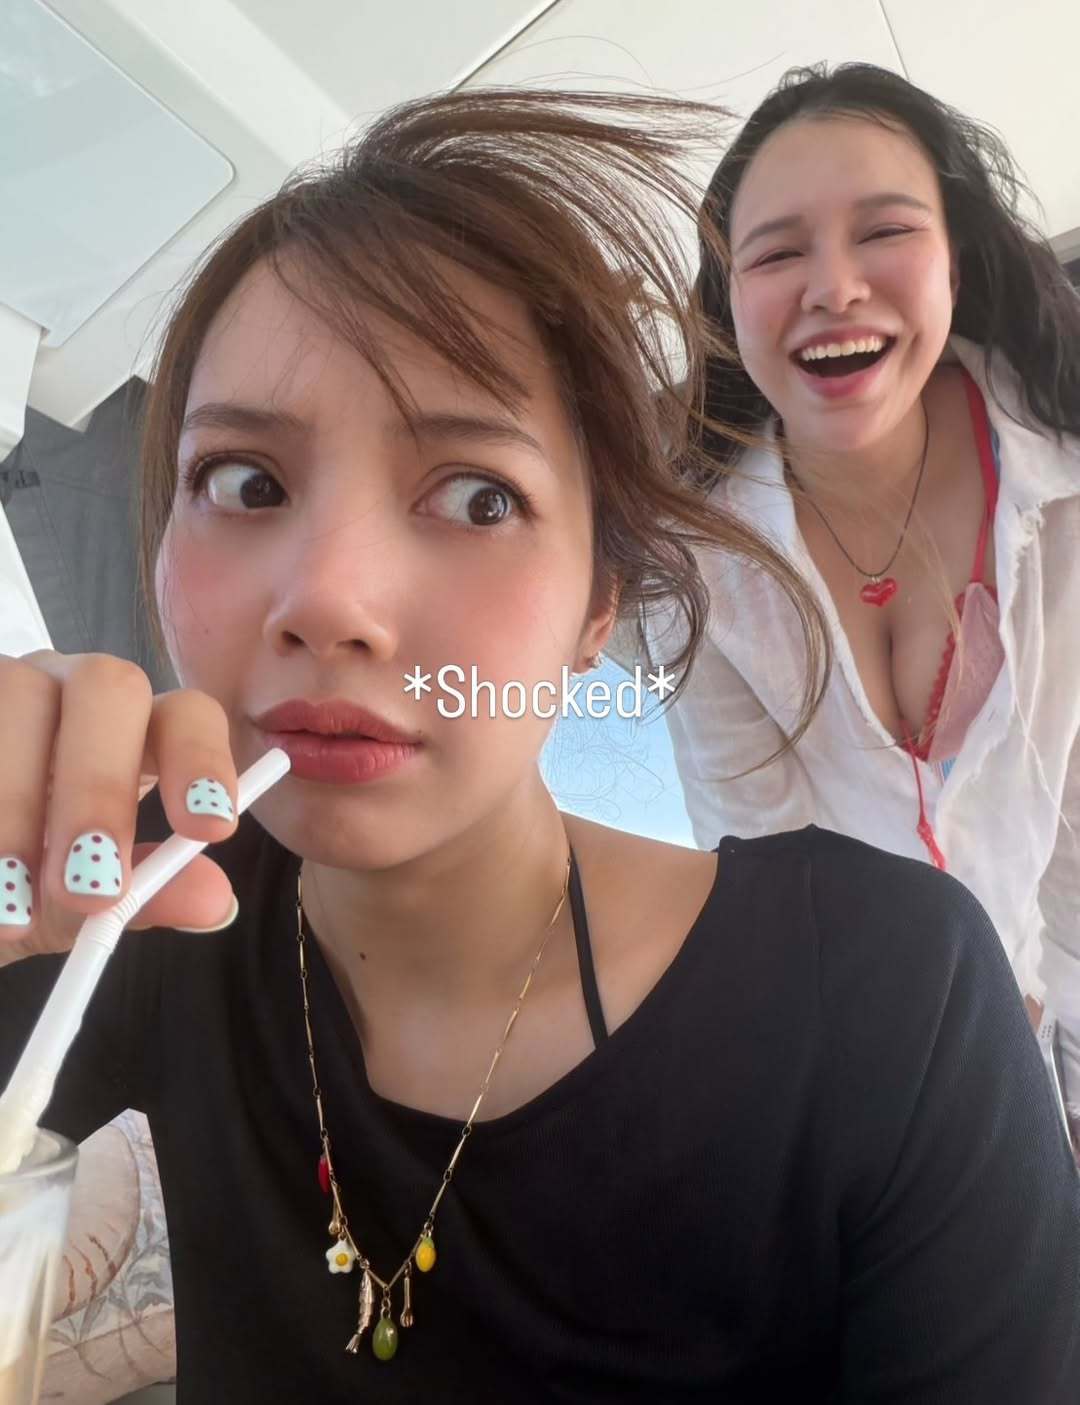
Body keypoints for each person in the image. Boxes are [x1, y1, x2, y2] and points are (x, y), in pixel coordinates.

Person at [1, 88, 1077, 1402]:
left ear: (598, 606)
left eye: (477, 496)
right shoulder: (135, 905)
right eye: (247, 482)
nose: (329, 600)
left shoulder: (895, 1007)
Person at [634, 62, 1080, 1142]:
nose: (834, 287)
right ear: (728, 302)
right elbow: (762, 862)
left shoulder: (1065, 468)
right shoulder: (694, 562)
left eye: (884, 231)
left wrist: (1043, 1011)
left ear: (954, 259)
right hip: (874, 1040)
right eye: (777, 253)